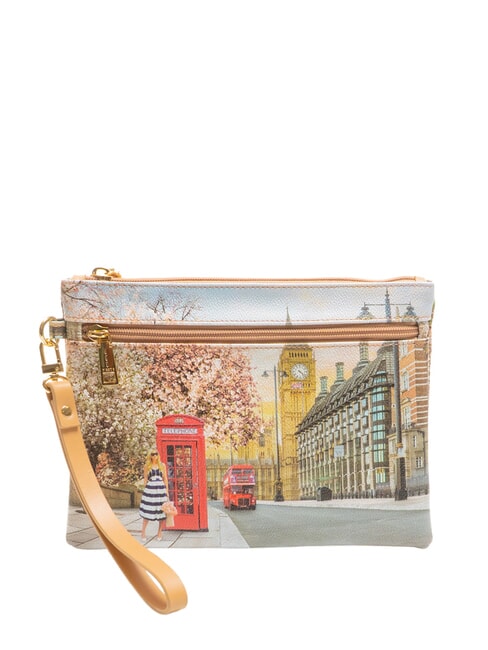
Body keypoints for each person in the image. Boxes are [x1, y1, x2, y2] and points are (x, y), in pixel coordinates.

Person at [139, 451, 169, 542]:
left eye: (156, 454)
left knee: (161, 511)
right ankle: (143, 532)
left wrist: (167, 491)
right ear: (150, 456)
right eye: (153, 454)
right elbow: (145, 479)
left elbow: (165, 478)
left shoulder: (162, 465)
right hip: (150, 490)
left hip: (161, 490)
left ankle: (159, 532)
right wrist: (145, 491)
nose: (155, 456)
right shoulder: (147, 466)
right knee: (148, 510)